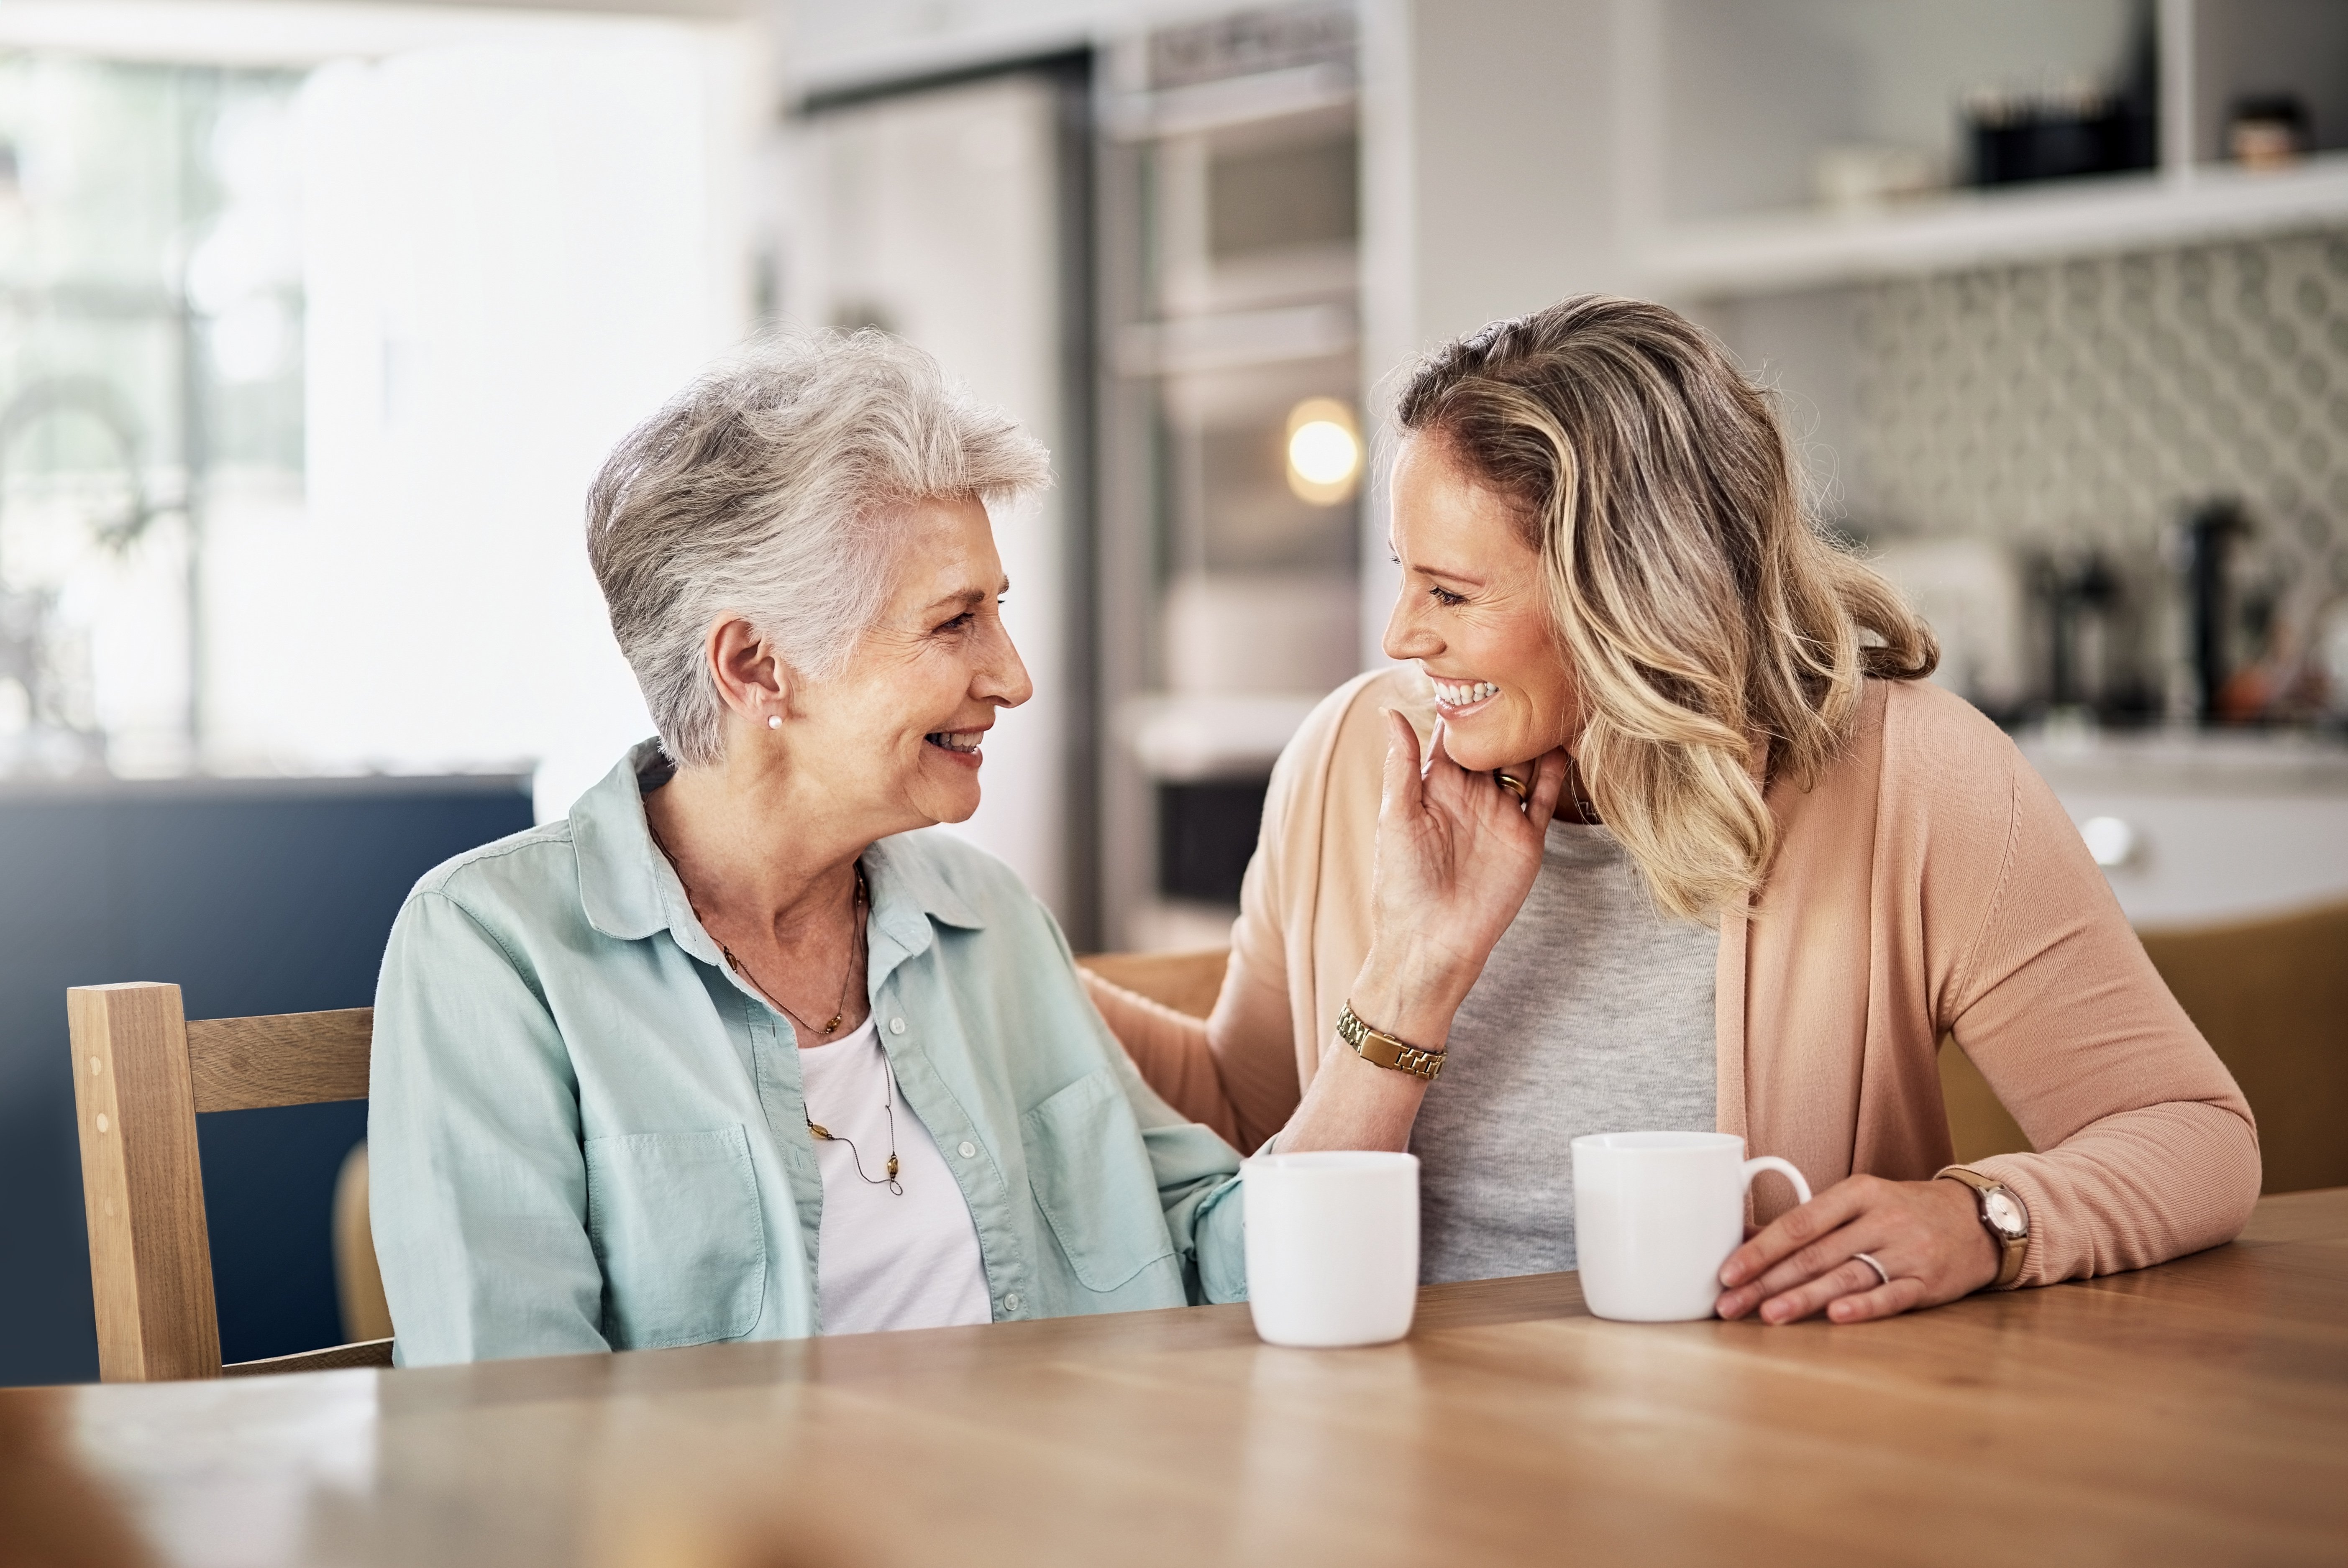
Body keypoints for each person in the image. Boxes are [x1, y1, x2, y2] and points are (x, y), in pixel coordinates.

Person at [1094, 295, 2261, 1326]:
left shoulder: (1913, 781)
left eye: (1447, 591)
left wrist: (1985, 1217)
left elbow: (2193, 1132)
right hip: (1392, 1457)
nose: (1399, 635)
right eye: (1402, 573)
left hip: (1758, 1460)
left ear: (1626, 598)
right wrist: (970, 935)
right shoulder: (1356, 756)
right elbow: (1251, 1120)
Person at [368, 332, 1250, 1364]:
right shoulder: (494, 948)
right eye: (954, 622)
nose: (1012, 678)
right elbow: (511, 1413)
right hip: (733, 1530)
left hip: (1070, 1498)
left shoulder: (989, 917)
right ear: (755, 667)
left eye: (996, 613)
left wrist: (1409, 996)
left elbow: (1201, 1243)